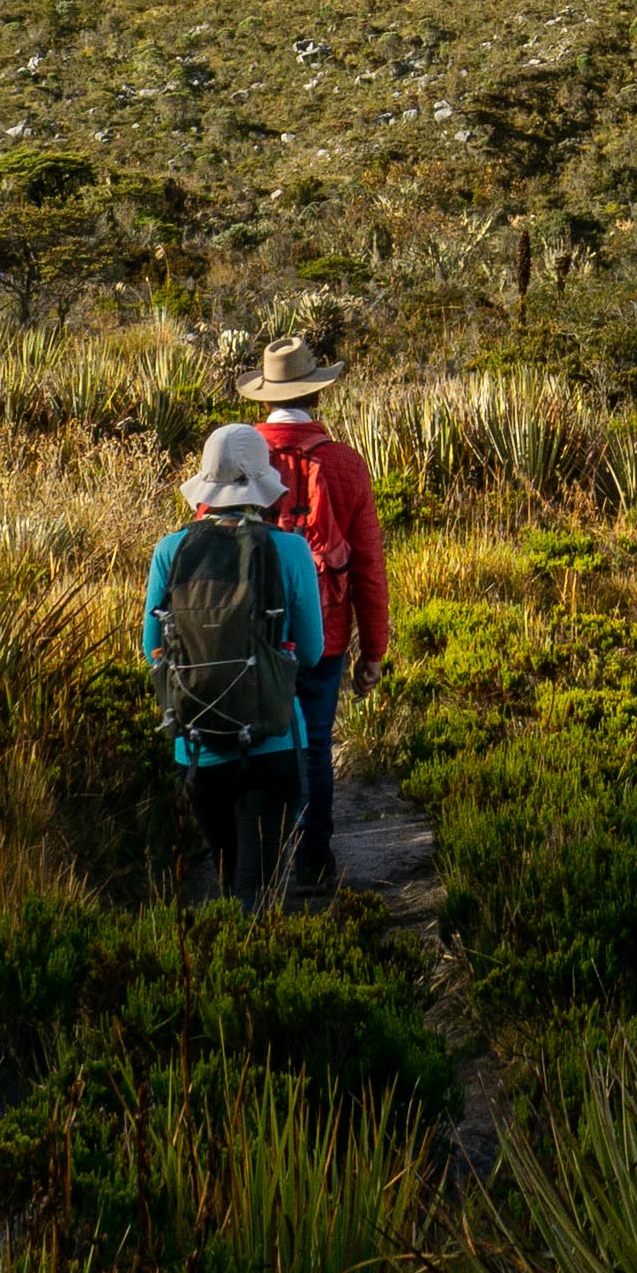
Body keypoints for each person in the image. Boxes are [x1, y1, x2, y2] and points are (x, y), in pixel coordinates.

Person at [144, 422, 328, 910]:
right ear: (260, 484)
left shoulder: (170, 550)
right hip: (274, 741)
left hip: (197, 749)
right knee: (261, 891)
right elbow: (311, 652)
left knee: (229, 885)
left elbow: (152, 650)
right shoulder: (289, 550)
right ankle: (255, 973)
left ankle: (224, 971)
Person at [247, 342, 388, 874]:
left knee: (257, 744)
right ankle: (311, 865)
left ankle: (256, 864)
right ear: (314, 391)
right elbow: (369, 567)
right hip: (323, 635)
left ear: (266, 396)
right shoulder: (346, 463)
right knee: (314, 746)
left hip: (251, 635)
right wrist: (373, 650)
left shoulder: (240, 455)